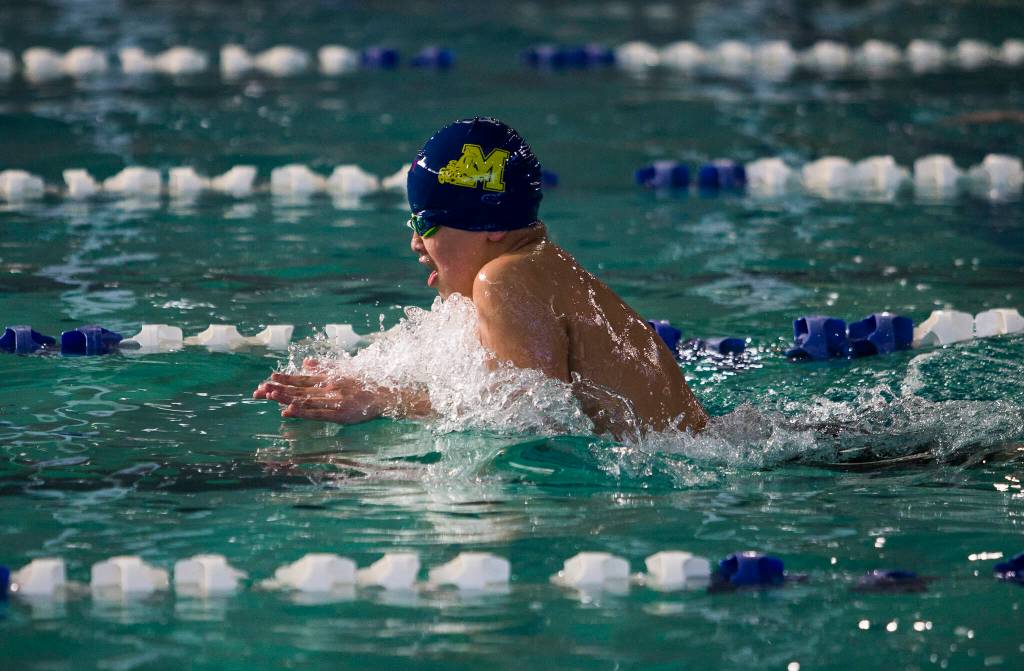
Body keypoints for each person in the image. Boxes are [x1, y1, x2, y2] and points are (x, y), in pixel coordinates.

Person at [254, 117, 707, 438]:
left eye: (426, 224)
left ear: (490, 226)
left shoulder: (503, 278)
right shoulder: (541, 268)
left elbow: (532, 420)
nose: (415, 242)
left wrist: (382, 400)